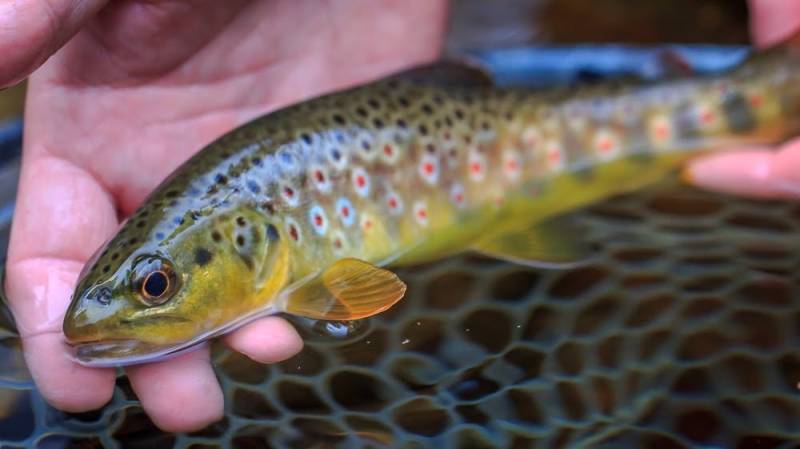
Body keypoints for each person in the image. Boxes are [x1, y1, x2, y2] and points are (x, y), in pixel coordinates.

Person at [0, 0, 796, 433]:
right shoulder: (260, 248)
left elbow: (365, 293)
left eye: (158, 283)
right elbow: (362, 294)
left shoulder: (273, 250)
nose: (143, 300)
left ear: (242, 245)